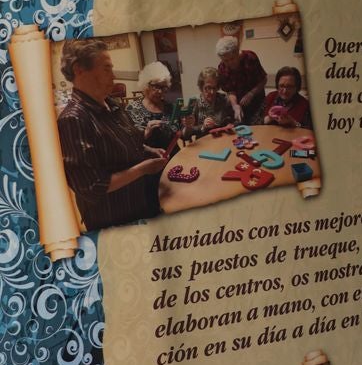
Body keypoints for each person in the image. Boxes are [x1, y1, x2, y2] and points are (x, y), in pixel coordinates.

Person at [57, 39, 166, 230]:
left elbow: (129, 139)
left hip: (139, 204)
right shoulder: (73, 120)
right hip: (114, 219)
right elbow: (92, 188)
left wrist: (148, 149)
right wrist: (142, 169)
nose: (113, 76)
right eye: (106, 69)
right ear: (79, 69)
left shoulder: (112, 103)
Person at [126, 61, 179, 151]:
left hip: (173, 156)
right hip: (149, 160)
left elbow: (181, 134)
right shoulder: (132, 109)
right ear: (146, 85)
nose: (160, 91)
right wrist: (146, 133)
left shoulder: (170, 107)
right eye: (156, 86)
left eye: (163, 87)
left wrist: (187, 126)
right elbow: (129, 144)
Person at [215, 36, 268, 124]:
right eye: (225, 60)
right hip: (240, 105)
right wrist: (235, 106)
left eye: (232, 59)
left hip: (258, 102)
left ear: (237, 52)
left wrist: (251, 94)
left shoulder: (250, 58)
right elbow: (230, 91)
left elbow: (263, 80)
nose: (229, 63)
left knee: (258, 128)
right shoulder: (222, 68)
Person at [185, 66, 235, 140]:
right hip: (204, 142)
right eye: (208, 88)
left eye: (214, 88)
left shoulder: (223, 99)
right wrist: (203, 126)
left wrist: (228, 124)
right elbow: (187, 134)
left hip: (223, 139)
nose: (212, 92)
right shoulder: (194, 103)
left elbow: (231, 120)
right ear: (201, 87)